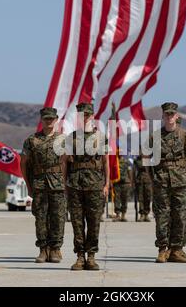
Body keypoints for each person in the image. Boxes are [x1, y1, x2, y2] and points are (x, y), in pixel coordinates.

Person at [148, 102, 186, 263]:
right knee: (162, 216)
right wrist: (153, 179)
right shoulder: (154, 138)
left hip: (180, 182)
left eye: (172, 114)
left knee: (181, 216)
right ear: (162, 116)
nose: (169, 117)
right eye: (166, 114)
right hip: (161, 182)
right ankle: (163, 249)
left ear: (176, 116)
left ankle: (176, 249)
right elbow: (148, 162)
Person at [65, 102, 109, 270]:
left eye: (86, 115)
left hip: (95, 185)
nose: (83, 118)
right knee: (77, 222)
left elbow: (106, 161)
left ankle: (91, 256)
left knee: (94, 222)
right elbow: (65, 163)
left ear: (92, 116)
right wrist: (64, 183)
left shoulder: (101, 137)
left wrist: (106, 184)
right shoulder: (72, 137)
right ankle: (80, 257)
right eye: (80, 115)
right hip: (75, 185)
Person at [21, 107, 67, 263]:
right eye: (46, 118)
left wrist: (67, 183)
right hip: (39, 183)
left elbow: (68, 162)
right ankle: (43, 249)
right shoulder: (32, 140)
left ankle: (55, 249)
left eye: (51, 118)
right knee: (40, 217)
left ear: (56, 120)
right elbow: (24, 164)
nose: (49, 121)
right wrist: (28, 185)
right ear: (41, 120)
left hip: (58, 184)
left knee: (58, 217)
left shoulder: (63, 139)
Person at [112, 155, 132, 222]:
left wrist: (130, 181)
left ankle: (123, 215)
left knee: (124, 199)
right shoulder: (115, 161)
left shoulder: (127, 161)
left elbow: (129, 171)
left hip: (125, 183)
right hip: (116, 182)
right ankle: (118, 215)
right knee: (116, 199)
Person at [134, 151, 153, 222]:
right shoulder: (137, 160)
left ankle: (146, 214)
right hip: (139, 181)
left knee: (148, 197)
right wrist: (133, 181)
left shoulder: (150, 160)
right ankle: (142, 214)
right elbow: (134, 171)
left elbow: (152, 171)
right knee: (140, 198)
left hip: (148, 180)